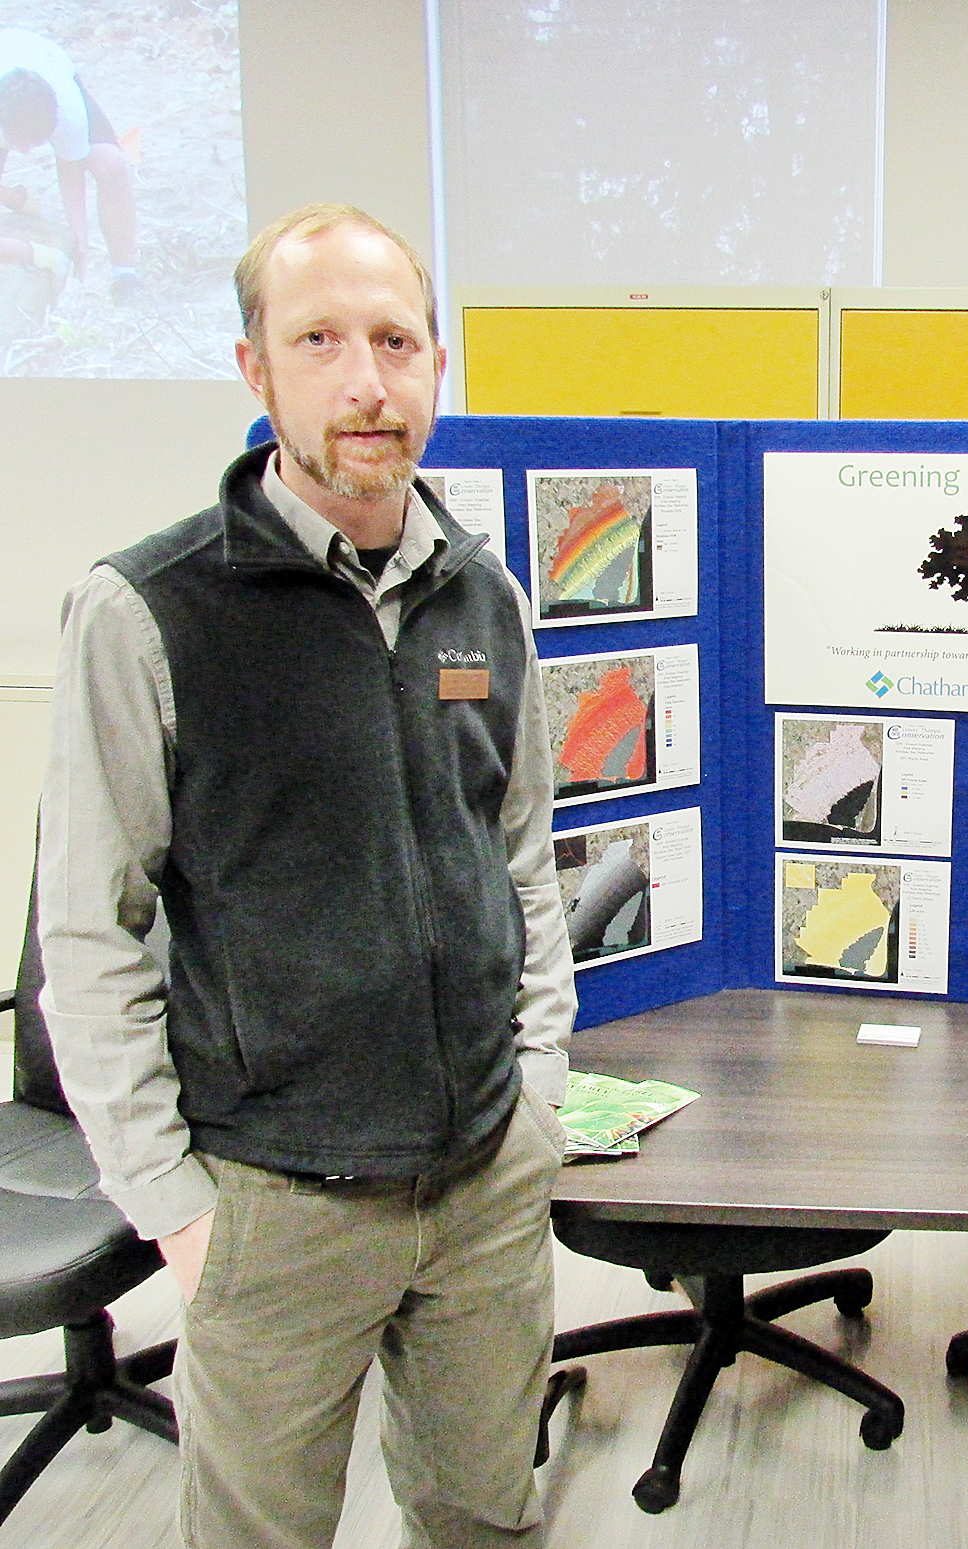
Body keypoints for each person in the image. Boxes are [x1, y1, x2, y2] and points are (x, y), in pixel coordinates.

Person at [36, 202, 576, 1548]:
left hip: (484, 1183)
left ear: (438, 364)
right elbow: (85, 939)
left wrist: (543, 1098)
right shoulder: (148, 613)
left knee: (483, 1515)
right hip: (273, 1202)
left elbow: (522, 858)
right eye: (319, 339)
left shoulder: (484, 598)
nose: (366, 381)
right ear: (253, 371)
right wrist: (175, 1213)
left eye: (396, 340)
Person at [0, 27, 140, 299]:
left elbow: (70, 164)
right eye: (19, 143)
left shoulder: (67, 111)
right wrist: (31, 249)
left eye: (36, 142)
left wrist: (78, 243)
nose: (27, 152)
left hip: (45, 61)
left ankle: (126, 275)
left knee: (111, 165)